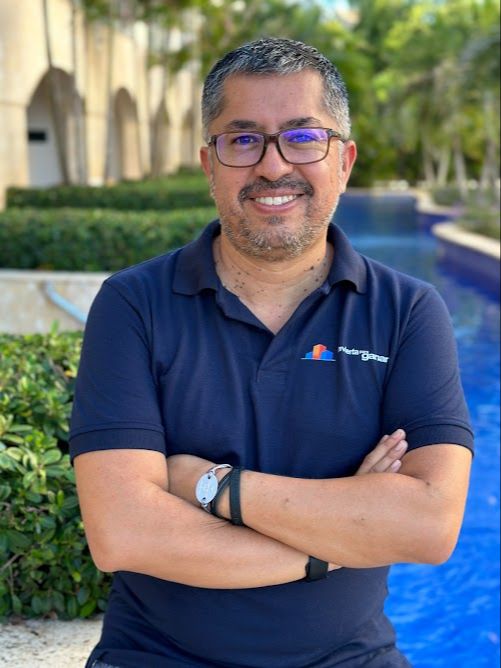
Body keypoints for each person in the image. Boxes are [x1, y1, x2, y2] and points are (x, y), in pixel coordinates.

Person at [70, 38, 473, 668]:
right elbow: (124, 533)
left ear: (344, 161)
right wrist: (336, 544)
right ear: (209, 164)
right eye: (243, 139)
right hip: (155, 656)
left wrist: (209, 486)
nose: (273, 165)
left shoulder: (407, 312)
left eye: (303, 138)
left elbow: (428, 526)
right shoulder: (134, 304)